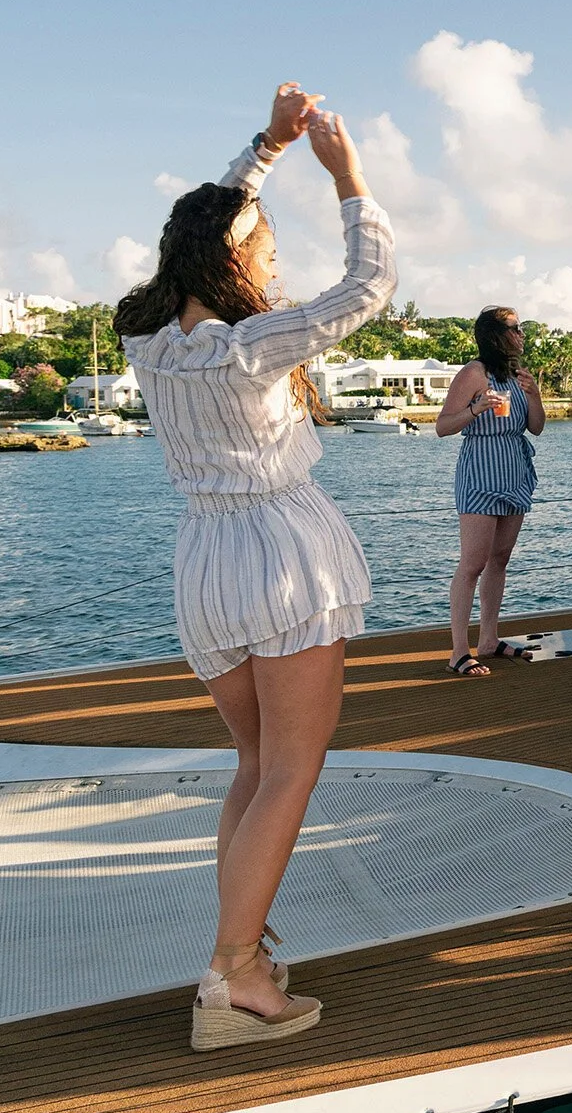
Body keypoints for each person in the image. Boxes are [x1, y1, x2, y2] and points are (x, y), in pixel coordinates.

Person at [116, 84, 394, 1050]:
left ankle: (242, 943)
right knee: (293, 771)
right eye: (268, 254)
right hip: (280, 554)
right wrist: (347, 177)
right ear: (237, 260)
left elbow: (212, 224)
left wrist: (265, 151)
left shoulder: (145, 340)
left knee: (253, 761)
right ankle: (234, 976)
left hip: (205, 562)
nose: (276, 269)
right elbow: (367, 290)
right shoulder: (248, 347)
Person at [435, 306, 545, 676]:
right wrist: (477, 408)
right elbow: (442, 426)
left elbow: (537, 427)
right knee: (472, 564)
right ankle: (458, 652)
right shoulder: (473, 373)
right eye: (517, 328)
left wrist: (536, 396)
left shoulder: (517, 375)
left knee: (499, 560)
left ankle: (489, 639)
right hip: (481, 473)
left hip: (514, 471)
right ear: (496, 335)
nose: (523, 334)